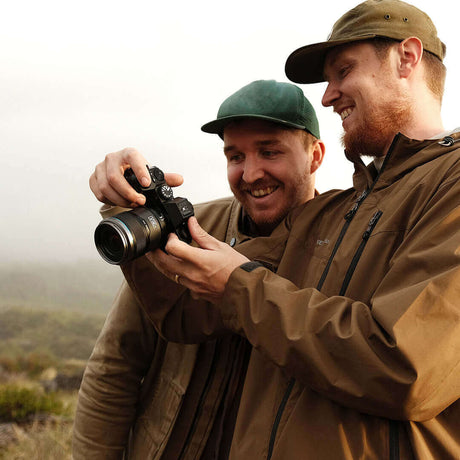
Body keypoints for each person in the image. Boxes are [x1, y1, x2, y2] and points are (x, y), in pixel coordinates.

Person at [144, 1, 460, 458]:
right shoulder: (330, 211)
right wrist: (131, 206)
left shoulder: (449, 184)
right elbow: (186, 315)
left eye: (343, 71)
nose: (328, 96)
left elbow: (404, 368)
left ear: (407, 58)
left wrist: (240, 285)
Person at [72, 79, 325, 459]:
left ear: (315, 156)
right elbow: (116, 365)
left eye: (270, 152)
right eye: (235, 156)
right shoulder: (188, 229)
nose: (251, 173)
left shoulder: (341, 243)